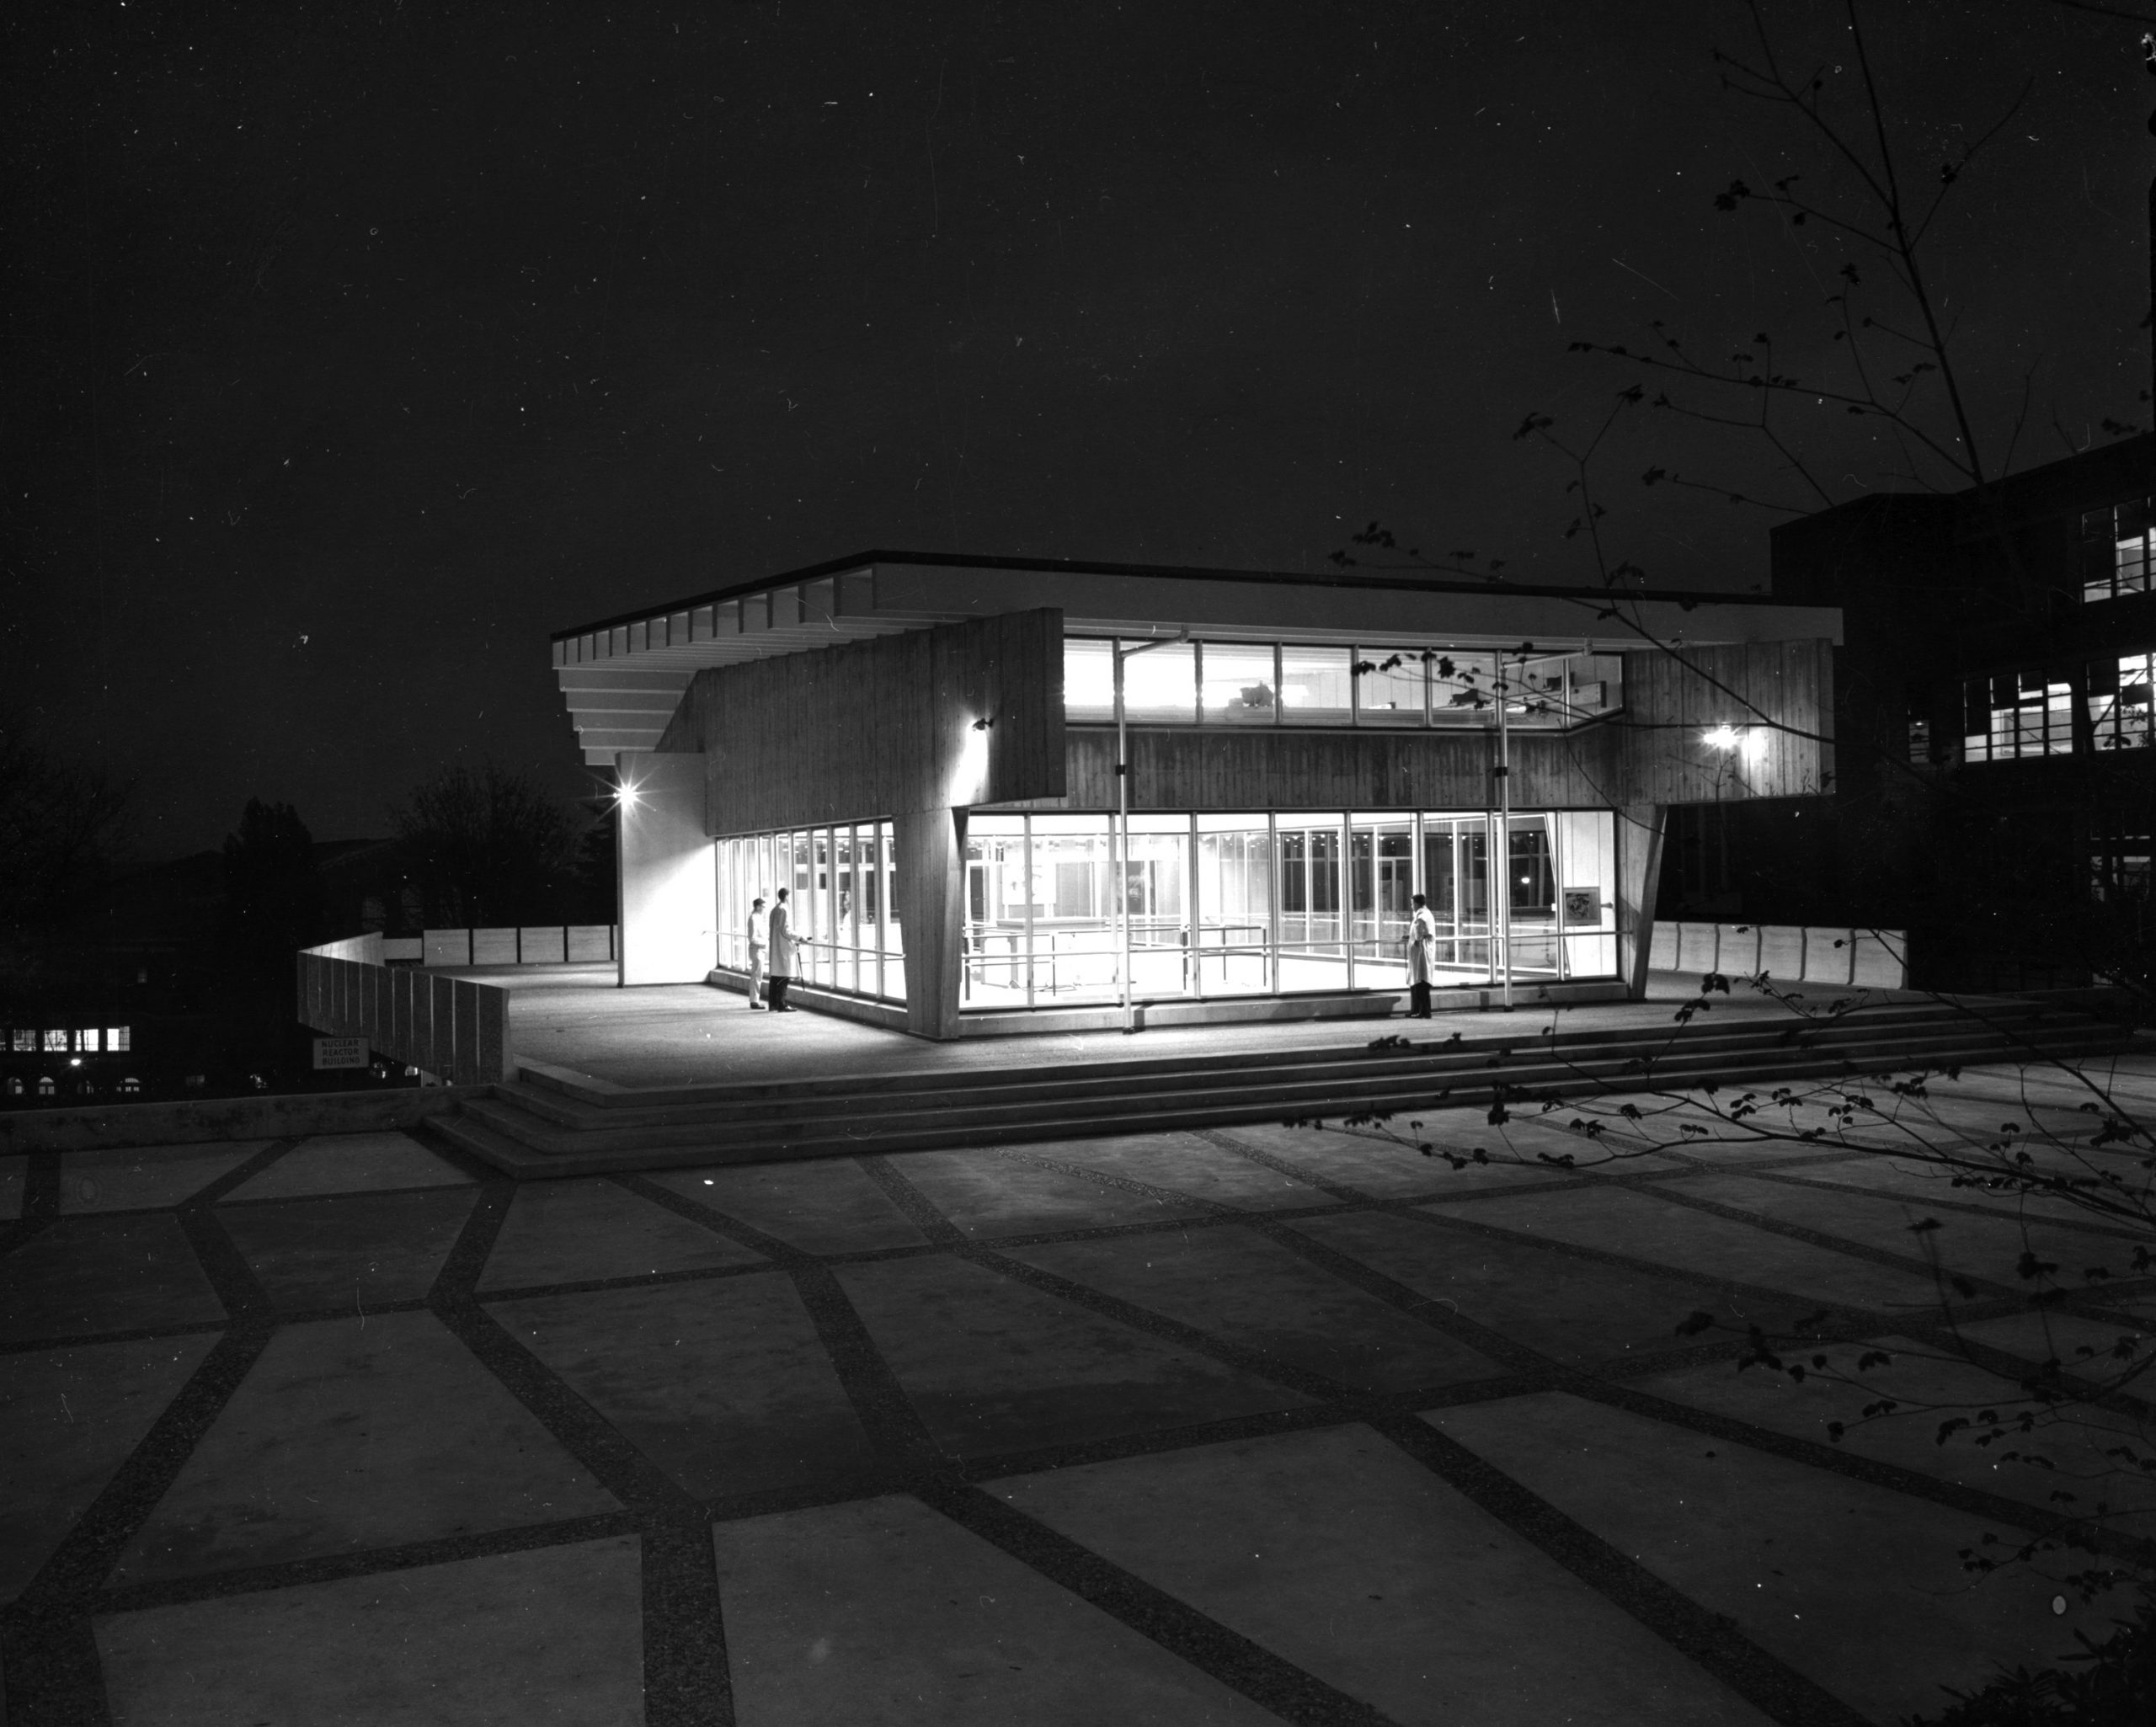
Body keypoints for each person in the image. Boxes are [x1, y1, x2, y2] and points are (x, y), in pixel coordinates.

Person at [1406, 892, 1438, 1019]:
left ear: (1417, 904)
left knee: (1420, 982)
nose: (1411, 906)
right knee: (1421, 981)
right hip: (1424, 951)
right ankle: (1420, 1011)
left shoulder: (1421, 916)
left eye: (1412, 903)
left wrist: (1414, 939)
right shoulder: (1427, 914)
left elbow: (1419, 933)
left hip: (1421, 952)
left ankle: (1422, 1011)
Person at [766, 887, 798, 1012]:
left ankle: (773, 1004)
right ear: (786, 897)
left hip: (776, 947)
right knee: (784, 977)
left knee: (775, 977)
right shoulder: (784, 910)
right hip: (783, 948)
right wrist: (799, 937)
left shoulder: (774, 910)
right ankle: (782, 1004)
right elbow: (786, 931)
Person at [744, 896, 768, 1009]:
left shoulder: (758, 918)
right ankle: (754, 1001)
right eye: (763, 907)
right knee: (756, 976)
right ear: (758, 907)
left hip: (760, 949)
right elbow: (752, 938)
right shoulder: (753, 918)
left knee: (758, 975)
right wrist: (764, 943)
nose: (764, 909)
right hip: (757, 949)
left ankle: (755, 1000)